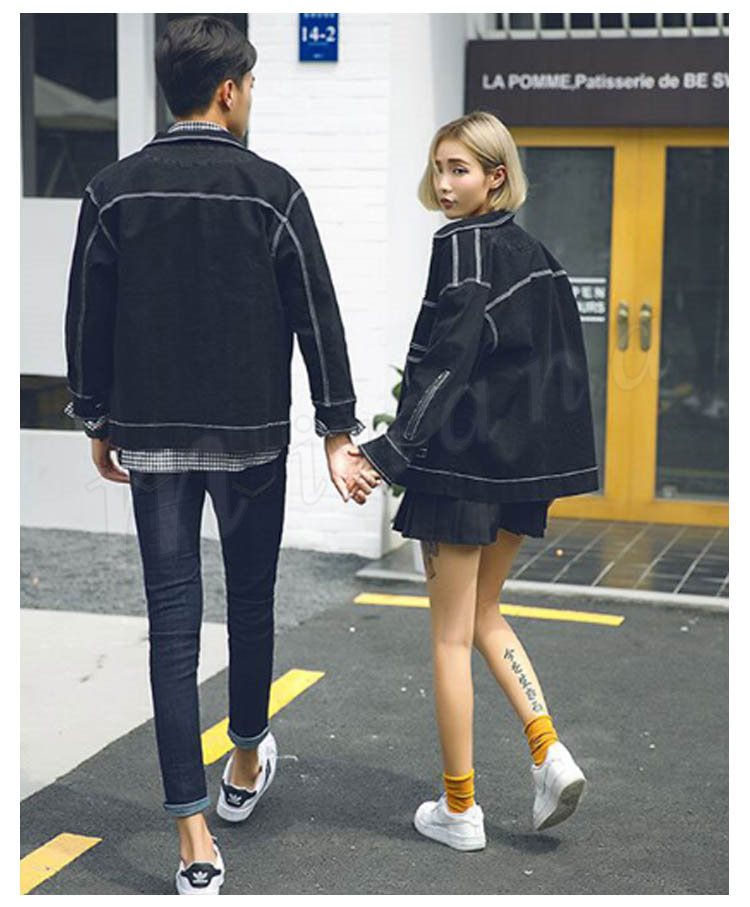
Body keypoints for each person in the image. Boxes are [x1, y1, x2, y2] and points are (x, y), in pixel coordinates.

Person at [63, 16, 380, 895]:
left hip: (152, 437)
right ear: (230, 90)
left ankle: (193, 836)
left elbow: (88, 317)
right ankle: (244, 757)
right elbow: (318, 313)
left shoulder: (112, 191)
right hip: (250, 441)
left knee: (172, 626)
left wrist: (95, 418)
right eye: (252, 86)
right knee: (250, 599)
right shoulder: (273, 190)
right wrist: (337, 427)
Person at [351, 111, 599, 851]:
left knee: (450, 638)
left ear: (496, 177)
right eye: (439, 168)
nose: (444, 183)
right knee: (487, 612)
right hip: (519, 472)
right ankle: (549, 751)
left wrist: (388, 453)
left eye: (460, 169)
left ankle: (460, 810)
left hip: (461, 469)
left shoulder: (463, 246)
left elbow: (447, 360)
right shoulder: (538, 255)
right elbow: (557, 370)